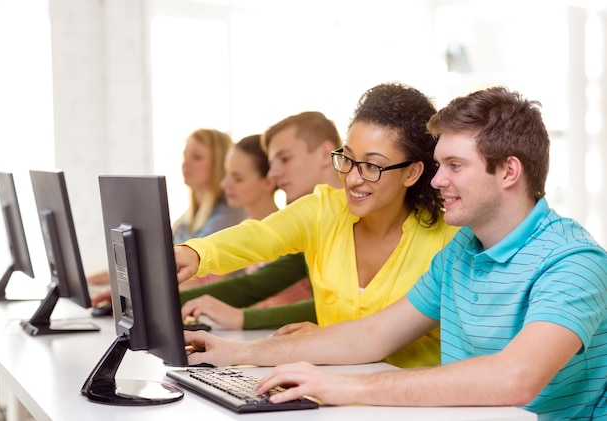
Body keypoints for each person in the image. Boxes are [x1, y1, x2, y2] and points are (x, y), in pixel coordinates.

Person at [180, 86, 607, 419]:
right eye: (439, 166)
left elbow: (516, 377)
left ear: (509, 171)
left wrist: (349, 388)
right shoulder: (462, 251)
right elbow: (371, 335)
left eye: (454, 166)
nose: (437, 181)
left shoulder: (573, 262)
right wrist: (236, 354)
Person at [175, 82, 459, 368]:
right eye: (348, 159)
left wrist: (325, 338)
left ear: (411, 172)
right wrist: (195, 254)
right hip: (332, 394)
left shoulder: (448, 239)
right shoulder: (323, 211)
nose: (353, 178)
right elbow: (261, 234)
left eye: (372, 166)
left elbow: (378, 338)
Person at [178, 111, 343, 329]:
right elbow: (255, 282)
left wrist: (243, 318)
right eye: (273, 162)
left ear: (325, 154)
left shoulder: (356, 216)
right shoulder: (313, 217)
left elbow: (340, 309)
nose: (273, 173)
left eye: (284, 159)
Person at [89, 128, 246, 305]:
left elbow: (198, 279)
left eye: (197, 157)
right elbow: (151, 265)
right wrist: (89, 281)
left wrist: (131, 294)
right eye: (185, 156)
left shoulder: (229, 216)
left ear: (219, 164)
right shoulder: (187, 219)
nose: (185, 164)